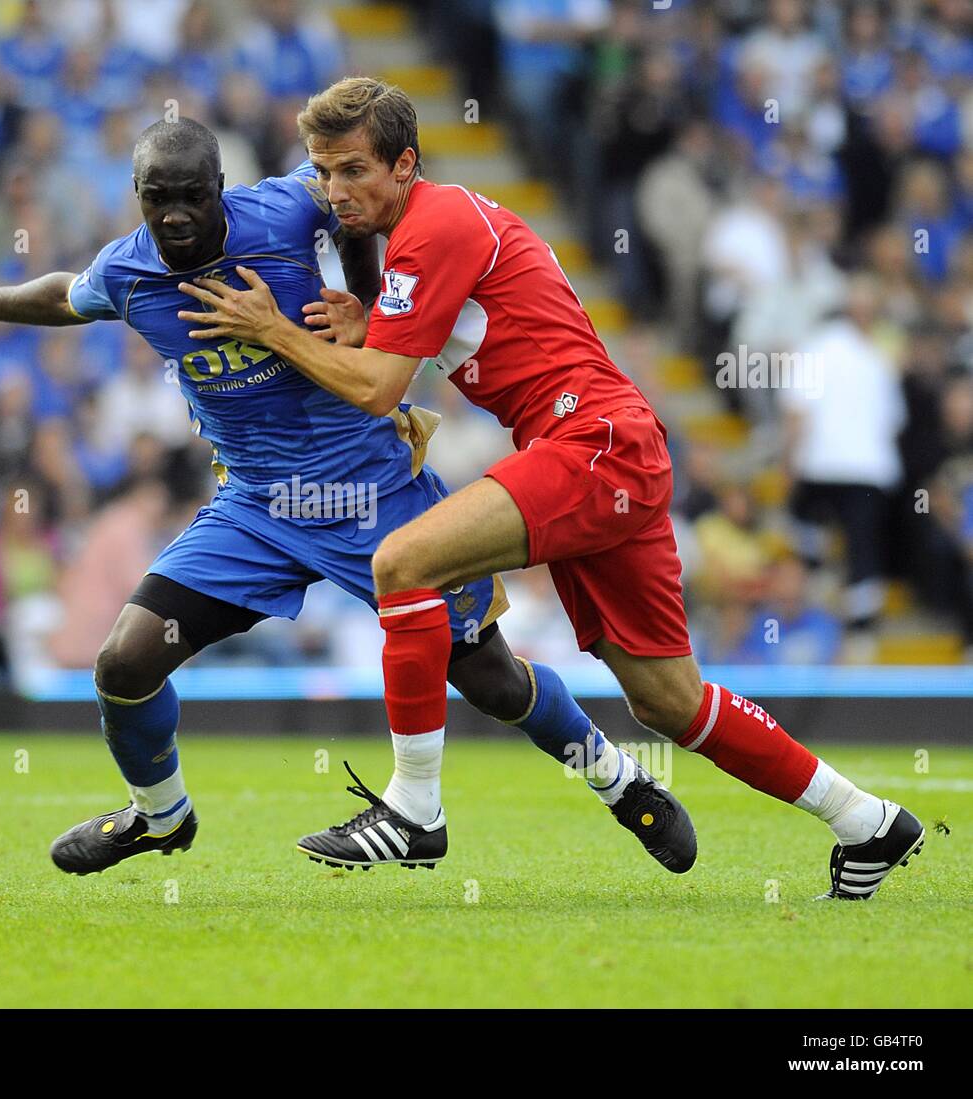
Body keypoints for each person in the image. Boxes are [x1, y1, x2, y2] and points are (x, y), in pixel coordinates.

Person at [176, 79, 922, 900]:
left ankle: (415, 809)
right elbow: (435, 339)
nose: (336, 192)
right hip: (608, 447)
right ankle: (869, 821)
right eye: (323, 173)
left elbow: (382, 389)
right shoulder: (431, 230)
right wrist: (368, 329)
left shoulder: (436, 225)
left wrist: (273, 329)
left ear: (406, 163)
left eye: (354, 170)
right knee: (669, 701)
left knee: (402, 563)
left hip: (590, 441)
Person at [0, 116, 695, 876]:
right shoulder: (128, 270)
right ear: (136, 196)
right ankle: (160, 814)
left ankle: (617, 777)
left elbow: (356, 212)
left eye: (190, 196)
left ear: (220, 191)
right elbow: (64, 296)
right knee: (125, 664)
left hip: (372, 491)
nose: (173, 214)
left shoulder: (285, 209)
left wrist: (371, 306)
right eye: (155, 198)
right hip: (258, 509)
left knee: (494, 682)